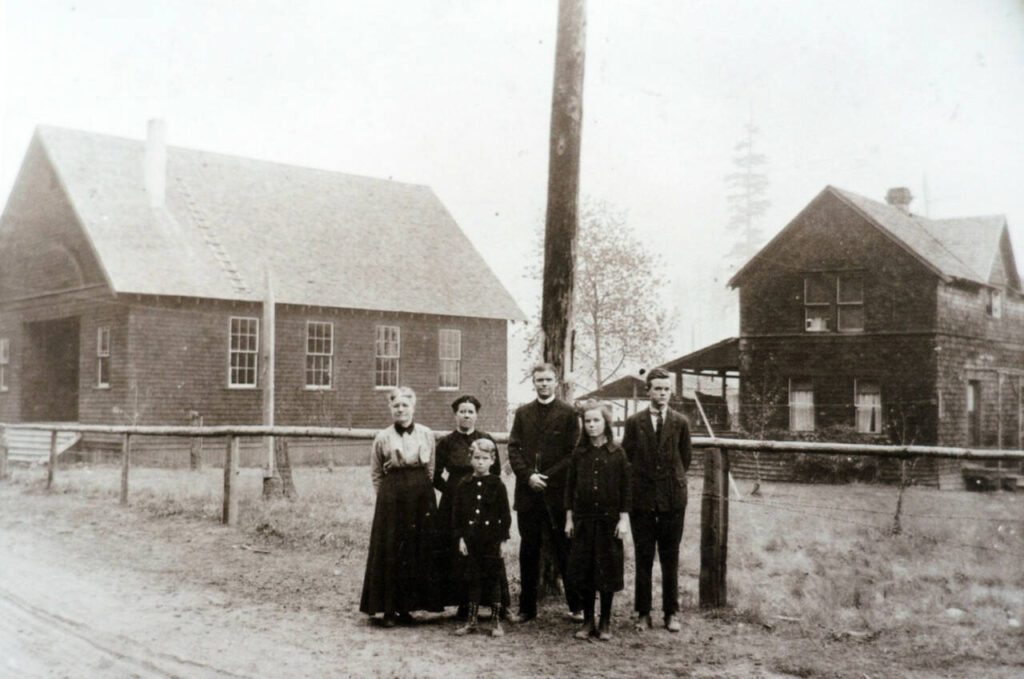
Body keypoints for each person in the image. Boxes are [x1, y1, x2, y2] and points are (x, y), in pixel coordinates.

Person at [359, 386, 443, 627]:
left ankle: (408, 607)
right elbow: (376, 472)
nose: (401, 409)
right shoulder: (383, 437)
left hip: (420, 493)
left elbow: (431, 467)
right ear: (391, 409)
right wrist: (385, 497)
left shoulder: (426, 433)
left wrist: (423, 489)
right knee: (391, 548)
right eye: (396, 405)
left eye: (405, 405)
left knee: (415, 548)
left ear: (413, 407)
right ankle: (388, 609)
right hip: (392, 495)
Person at [507, 363, 582, 622]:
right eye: (539, 380)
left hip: (557, 494)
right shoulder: (523, 413)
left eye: (548, 380)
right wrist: (528, 476)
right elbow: (513, 448)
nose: (543, 384)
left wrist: (546, 477)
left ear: (556, 382)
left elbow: (573, 453)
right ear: (533, 382)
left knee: (565, 549)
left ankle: (577, 606)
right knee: (529, 550)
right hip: (528, 494)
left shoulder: (568, 413)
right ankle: (527, 609)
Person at [621, 367, 692, 632]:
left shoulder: (680, 422)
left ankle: (671, 613)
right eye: (657, 389)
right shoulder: (634, 422)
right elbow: (627, 458)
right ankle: (642, 612)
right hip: (642, 502)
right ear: (648, 391)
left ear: (670, 391)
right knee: (644, 558)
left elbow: (684, 460)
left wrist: (670, 485)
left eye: (666, 389)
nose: (662, 394)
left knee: (670, 558)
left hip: (673, 501)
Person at [433, 395, 512, 619]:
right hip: (455, 506)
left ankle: (500, 604)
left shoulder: (486, 439)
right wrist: (452, 492)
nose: (466, 415)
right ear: (455, 415)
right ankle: (464, 604)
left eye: (470, 411)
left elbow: (495, 474)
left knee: (489, 551)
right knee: (459, 551)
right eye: (462, 411)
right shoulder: (447, 442)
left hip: (484, 505)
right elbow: (435, 475)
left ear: (476, 415)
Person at [565, 400, 631, 641]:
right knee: (584, 570)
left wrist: (623, 519)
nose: (591, 425)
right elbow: (570, 488)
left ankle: (605, 621)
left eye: (596, 421)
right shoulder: (579, 453)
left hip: (608, 522)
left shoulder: (617, 453)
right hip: (583, 521)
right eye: (588, 421)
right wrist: (569, 519)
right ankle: (587, 621)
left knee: (607, 570)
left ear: (606, 423)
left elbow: (626, 489)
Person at [451, 439, 512, 638]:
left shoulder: (497, 485)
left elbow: (505, 515)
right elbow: (457, 516)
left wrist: (503, 541)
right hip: (472, 540)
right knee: (473, 579)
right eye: (476, 458)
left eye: (485, 458)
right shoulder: (463, 485)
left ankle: (495, 621)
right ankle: (472, 620)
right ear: (470, 459)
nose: (480, 462)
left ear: (493, 460)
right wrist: (461, 539)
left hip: (492, 540)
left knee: (494, 580)